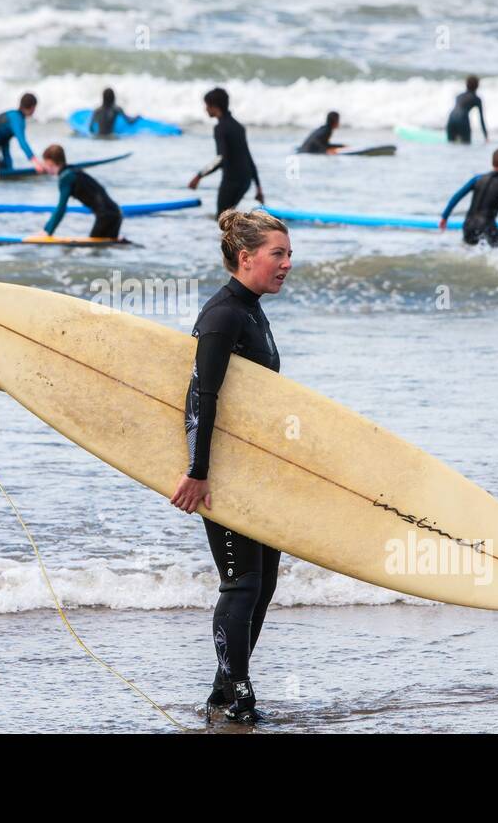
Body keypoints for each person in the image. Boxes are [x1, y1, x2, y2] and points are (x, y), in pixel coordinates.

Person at [170, 209, 291, 724]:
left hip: (253, 472)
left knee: (263, 582)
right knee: (241, 581)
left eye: (289, 254)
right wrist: (198, 471)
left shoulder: (251, 308)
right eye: (277, 254)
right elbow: (202, 394)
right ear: (245, 257)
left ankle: (224, 690)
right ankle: (240, 695)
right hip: (221, 473)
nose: (287, 264)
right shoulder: (223, 315)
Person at [438, 146, 498, 247]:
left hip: (468, 226)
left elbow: (456, 197)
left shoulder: (477, 179)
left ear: (493, 163)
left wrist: (444, 217)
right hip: (487, 228)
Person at [187, 88, 263, 215]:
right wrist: (258, 186)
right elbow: (248, 157)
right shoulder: (238, 127)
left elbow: (220, 158)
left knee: (222, 219)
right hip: (245, 180)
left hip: (231, 181)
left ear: (214, 107)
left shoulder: (220, 128)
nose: (205, 109)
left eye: (207, 105)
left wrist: (199, 176)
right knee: (229, 218)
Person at [40, 145, 122, 239]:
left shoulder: (65, 178)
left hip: (106, 216)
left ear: (50, 162)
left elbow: (61, 208)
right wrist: (46, 229)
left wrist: (48, 232)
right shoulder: (72, 171)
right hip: (116, 212)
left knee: (94, 250)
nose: (44, 167)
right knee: (105, 248)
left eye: (45, 163)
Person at [0, 92, 46, 175]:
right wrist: (35, 161)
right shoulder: (16, 119)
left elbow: (5, 145)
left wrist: (10, 168)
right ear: (33, 107)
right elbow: (22, 142)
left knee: (5, 169)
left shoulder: (12, 116)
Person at [446, 76, 486, 145]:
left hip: (451, 118)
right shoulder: (477, 99)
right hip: (462, 119)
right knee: (466, 144)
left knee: (451, 144)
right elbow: (481, 119)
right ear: (477, 86)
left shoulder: (459, 96)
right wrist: (486, 136)